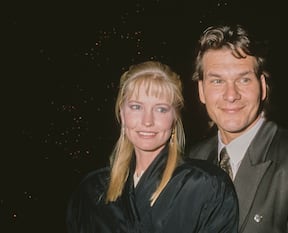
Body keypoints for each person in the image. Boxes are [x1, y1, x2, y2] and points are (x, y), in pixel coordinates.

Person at [188, 24, 288, 233]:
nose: (231, 95)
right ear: (201, 90)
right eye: (217, 81)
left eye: (243, 79)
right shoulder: (192, 159)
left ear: (262, 86)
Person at [66, 61, 238, 233]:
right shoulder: (91, 189)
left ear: (175, 118)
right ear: (122, 113)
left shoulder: (207, 185)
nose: (147, 121)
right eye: (136, 107)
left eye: (161, 109)